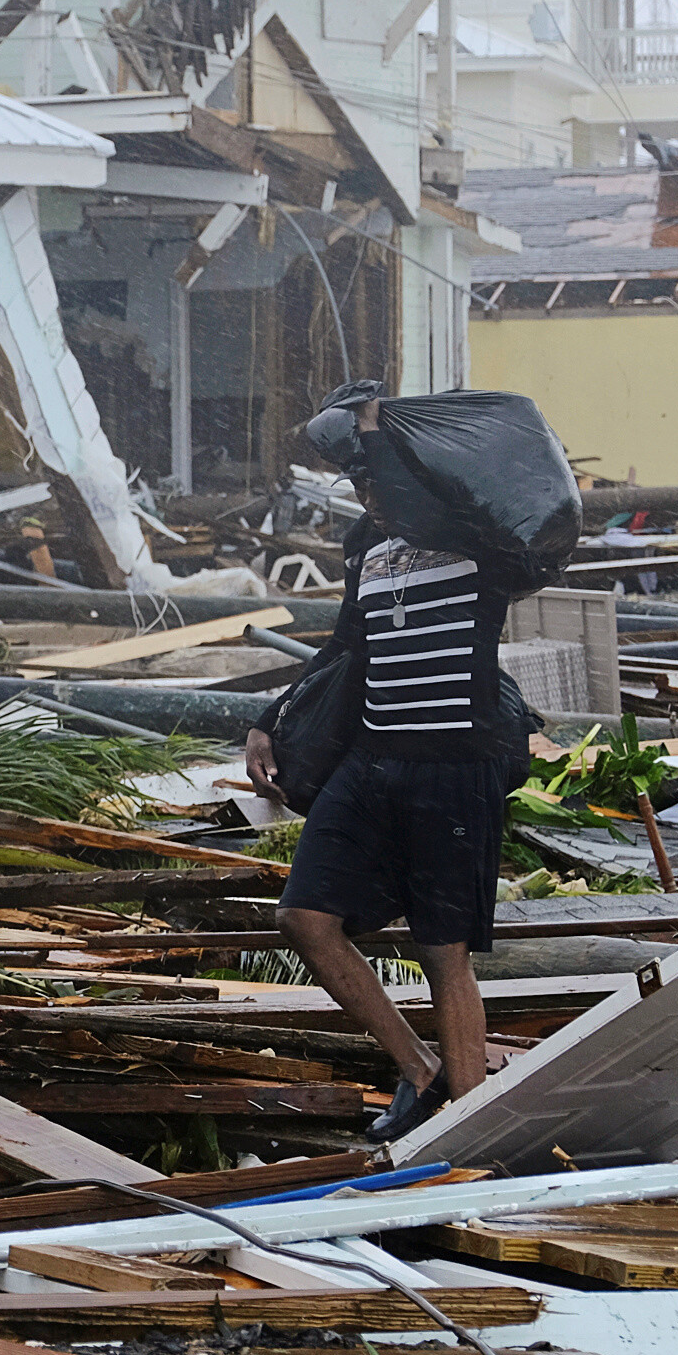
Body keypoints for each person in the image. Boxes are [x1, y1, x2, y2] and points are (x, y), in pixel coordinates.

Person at [244, 392, 523, 1142]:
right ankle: (421, 1072)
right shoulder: (368, 543)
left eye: (380, 481)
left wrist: (379, 427)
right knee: (305, 920)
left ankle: (464, 1131)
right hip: (371, 763)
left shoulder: (476, 538)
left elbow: (525, 525)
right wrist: (271, 719)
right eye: (362, 485)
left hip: (453, 767)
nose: (371, 498)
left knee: (443, 950)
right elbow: (344, 647)